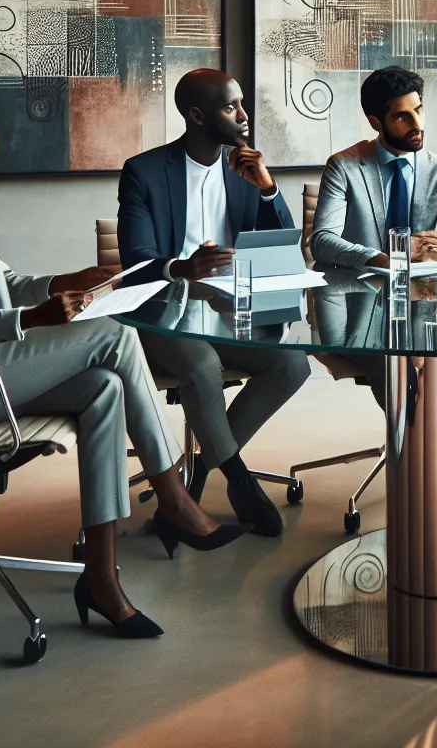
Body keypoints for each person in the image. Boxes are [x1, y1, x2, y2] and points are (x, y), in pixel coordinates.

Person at [0, 80, 249, 641]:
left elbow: (2, 283)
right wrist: (34, 318)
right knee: (116, 336)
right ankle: (173, 495)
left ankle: (101, 578)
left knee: (103, 389)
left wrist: (65, 282)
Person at [116, 69, 312, 538]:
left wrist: (267, 188)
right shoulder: (144, 171)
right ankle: (240, 483)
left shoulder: (243, 171)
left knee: (292, 365)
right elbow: (136, 261)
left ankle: (198, 476)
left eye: (242, 104)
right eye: (231, 107)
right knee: (202, 364)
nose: (244, 116)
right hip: (164, 312)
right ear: (197, 116)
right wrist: (183, 268)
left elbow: (281, 250)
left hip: (230, 311)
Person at [310, 65, 437, 271]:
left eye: (418, 110)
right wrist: (380, 260)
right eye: (401, 117)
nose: (417, 124)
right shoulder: (342, 167)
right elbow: (321, 242)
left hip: (419, 287)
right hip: (358, 285)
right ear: (375, 123)